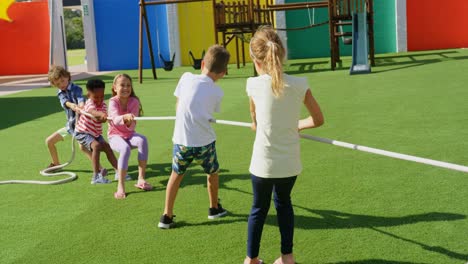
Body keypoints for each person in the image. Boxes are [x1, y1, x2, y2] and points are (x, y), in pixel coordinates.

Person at [243, 26, 324, 264]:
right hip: (289, 165)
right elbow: (318, 120)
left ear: (254, 59)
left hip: (263, 164)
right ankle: (287, 258)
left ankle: (251, 260)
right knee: (284, 204)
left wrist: (271, 123)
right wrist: (295, 124)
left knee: (258, 209)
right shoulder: (299, 84)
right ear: (282, 53)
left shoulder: (253, 85)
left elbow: (256, 122)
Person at [158, 44, 230, 229]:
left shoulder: (186, 77)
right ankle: (214, 208)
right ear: (223, 73)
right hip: (205, 143)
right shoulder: (217, 91)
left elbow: (178, 102)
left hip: (181, 141)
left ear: (203, 63)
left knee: (176, 175)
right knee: (212, 173)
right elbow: (212, 111)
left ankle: (166, 215)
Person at [45, 65, 107, 176]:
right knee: (49, 141)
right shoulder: (60, 93)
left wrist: (81, 106)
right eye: (58, 84)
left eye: (63, 81)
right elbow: (65, 102)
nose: (62, 85)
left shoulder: (76, 88)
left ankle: (99, 168)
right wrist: (72, 106)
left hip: (80, 126)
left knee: (83, 147)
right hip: (70, 126)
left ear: (68, 77)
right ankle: (56, 163)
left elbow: (80, 99)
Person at [108, 73, 153, 199]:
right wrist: (125, 117)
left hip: (129, 134)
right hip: (115, 136)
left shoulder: (134, 101)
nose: (126, 88)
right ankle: (120, 186)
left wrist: (129, 120)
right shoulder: (112, 102)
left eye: (128, 85)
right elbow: (115, 119)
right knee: (124, 148)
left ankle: (141, 179)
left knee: (142, 140)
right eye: (122, 85)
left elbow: (132, 126)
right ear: (115, 88)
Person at [75, 79, 118, 184]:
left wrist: (103, 117)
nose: (99, 100)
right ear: (88, 95)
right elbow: (92, 112)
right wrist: (101, 115)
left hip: (95, 133)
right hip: (83, 132)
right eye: (96, 97)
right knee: (96, 146)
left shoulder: (103, 105)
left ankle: (120, 172)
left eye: (102, 96)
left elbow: (100, 119)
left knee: (107, 147)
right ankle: (96, 177)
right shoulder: (89, 103)